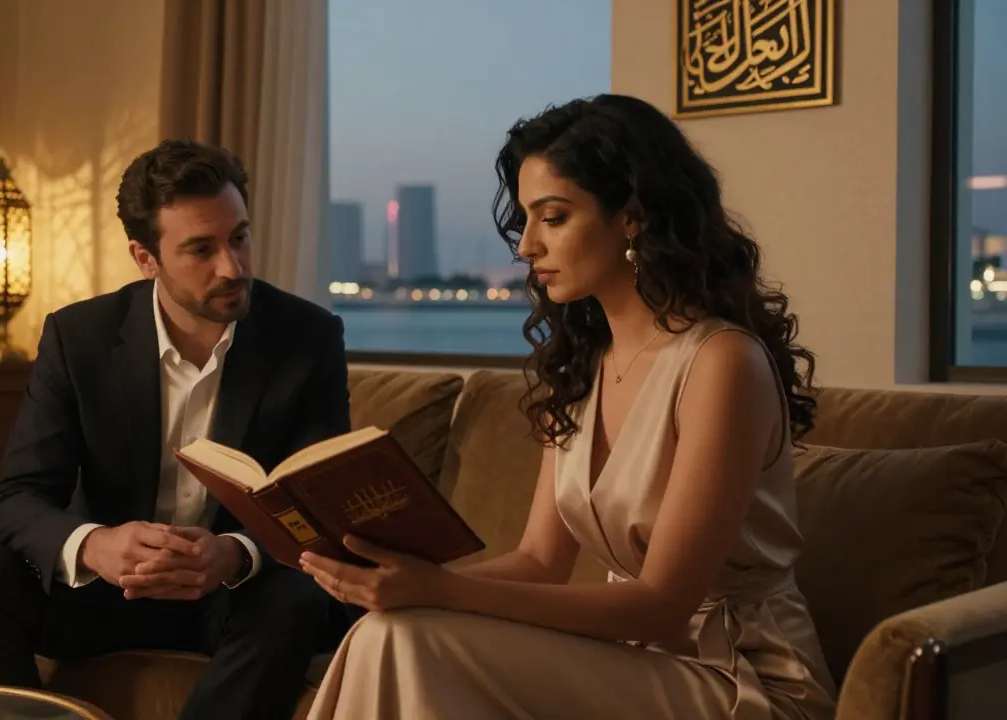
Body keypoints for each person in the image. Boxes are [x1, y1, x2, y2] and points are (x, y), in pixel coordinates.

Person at [299, 94, 839, 719]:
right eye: (525, 220)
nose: (526, 245)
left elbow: (663, 602)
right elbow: (539, 561)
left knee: (410, 636)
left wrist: (441, 591)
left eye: (552, 218)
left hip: (739, 677)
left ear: (631, 217)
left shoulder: (721, 362)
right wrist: (402, 584)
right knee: (388, 629)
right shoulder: (586, 364)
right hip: (632, 662)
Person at [0, 139, 358, 720]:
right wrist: (95, 545)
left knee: (294, 600)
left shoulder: (307, 337)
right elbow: (18, 497)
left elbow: (318, 505)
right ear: (145, 258)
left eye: (239, 237)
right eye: (201, 249)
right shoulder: (79, 337)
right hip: (108, 588)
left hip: (235, 595)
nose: (232, 266)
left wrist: (234, 554)